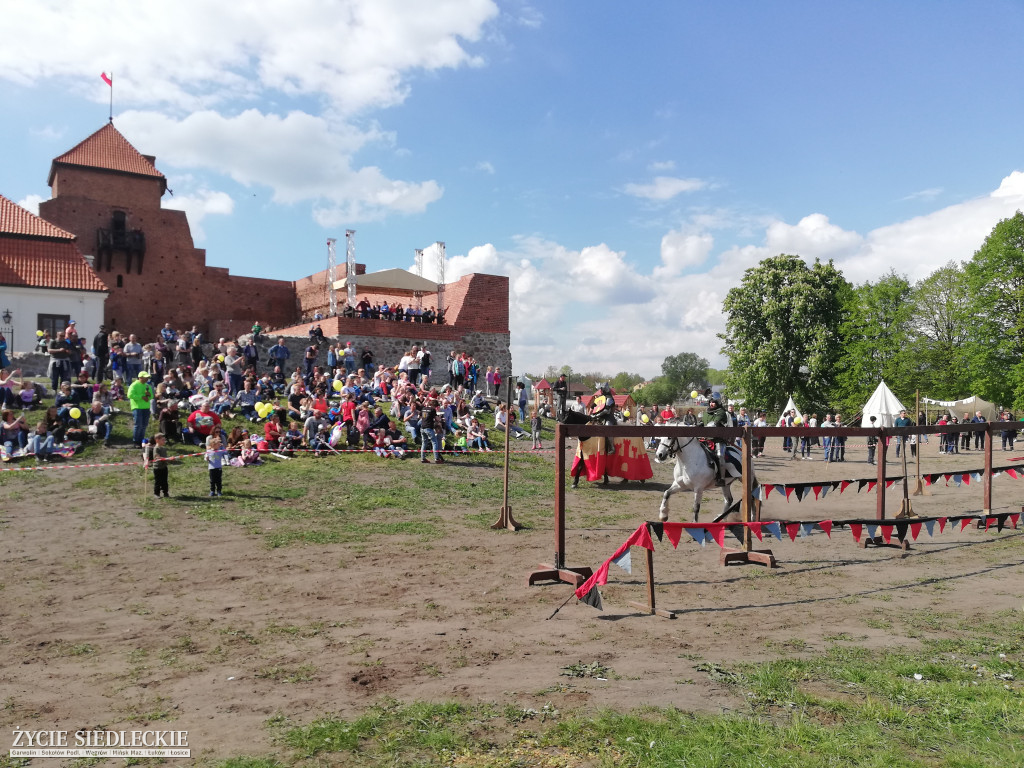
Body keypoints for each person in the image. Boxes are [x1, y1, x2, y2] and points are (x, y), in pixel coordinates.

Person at [704, 394, 730, 482]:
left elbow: (714, 423)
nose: (711, 404)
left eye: (713, 402)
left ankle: (722, 478)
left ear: (717, 403)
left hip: (718, 439)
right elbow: (701, 423)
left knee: (720, 455)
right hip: (706, 439)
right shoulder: (706, 413)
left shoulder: (721, 412)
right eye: (710, 402)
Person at [127, 371, 154, 448]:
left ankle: (141, 440)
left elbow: (151, 396)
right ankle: (136, 441)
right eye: (145, 377)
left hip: (146, 407)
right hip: (137, 407)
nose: (147, 379)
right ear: (140, 377)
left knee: (144, 425)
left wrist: (148, 396)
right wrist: (142, 396)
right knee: (138, 424)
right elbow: (130, 395)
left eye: (147, 378)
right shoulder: (134, 385)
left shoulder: (147, 385)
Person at [143, 433, 174, 498]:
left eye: (164, 440)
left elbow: (165, 457)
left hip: (164, 467)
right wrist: (168, 459)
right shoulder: (156, 448)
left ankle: (165, 493)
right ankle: (156, 493)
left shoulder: (164, 448)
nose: (164, 441)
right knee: (158, 481)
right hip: (157, 468)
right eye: (163, 440)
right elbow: (157, 457)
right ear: (157, 440)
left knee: (165, 481)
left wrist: (169, 459)